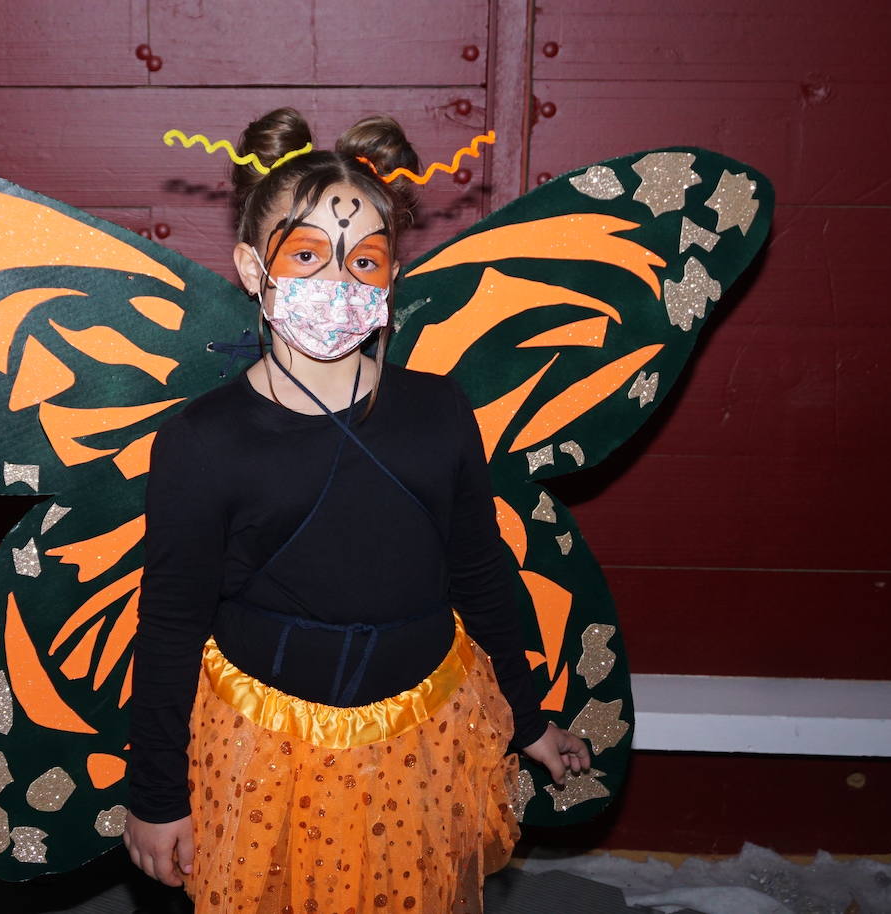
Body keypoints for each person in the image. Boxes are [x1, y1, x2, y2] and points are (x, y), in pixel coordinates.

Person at [124, 108, 590, 912]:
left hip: (426, 741)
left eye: (364, 260)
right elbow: (169, 621)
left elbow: (480, 572)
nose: (336, 283)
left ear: (392, 277)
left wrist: (526, 716)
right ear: (250, 265)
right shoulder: (203, 443)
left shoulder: (440, 413)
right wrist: (157, 793)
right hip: (266, 755)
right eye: (305, 255)